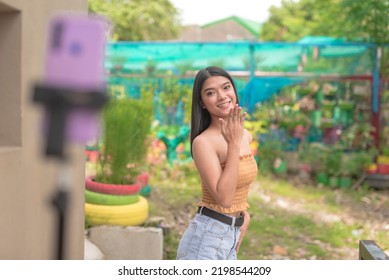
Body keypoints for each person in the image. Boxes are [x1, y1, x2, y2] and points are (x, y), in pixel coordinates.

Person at [176, 66, 258, 260]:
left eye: (226, 87)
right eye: (210, 93)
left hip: (231, 236)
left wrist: (243, 216)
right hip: (206, 240)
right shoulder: (203, 143)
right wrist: (233, 144)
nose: (222, 96)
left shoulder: (244, 135)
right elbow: (224, 198)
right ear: (202, 103)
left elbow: (238, 186)